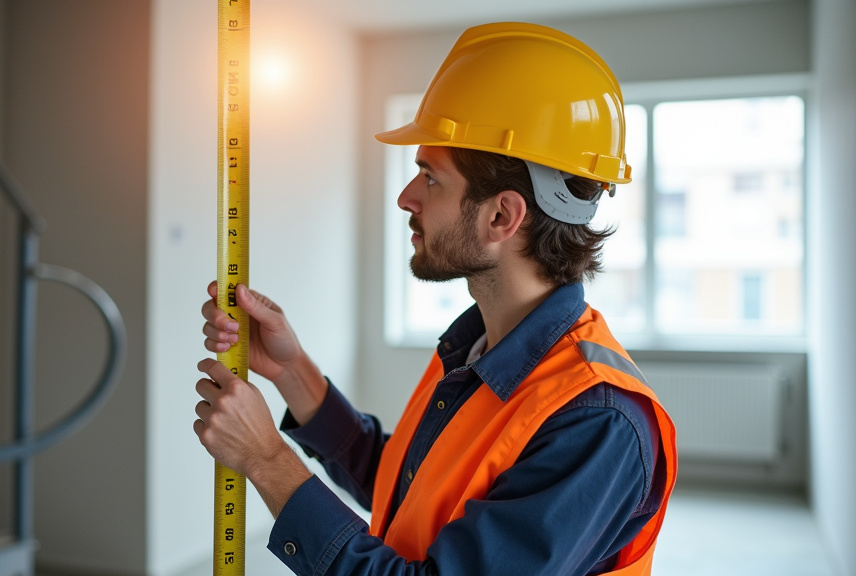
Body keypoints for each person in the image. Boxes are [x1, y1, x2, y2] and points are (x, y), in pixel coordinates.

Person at [193, 22, 677, 576]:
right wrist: (291, 371)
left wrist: (266, 460)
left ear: (501, 216)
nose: (405, 197)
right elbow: (402, 488)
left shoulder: (596, 420)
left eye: (430, 177)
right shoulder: (477, 351)